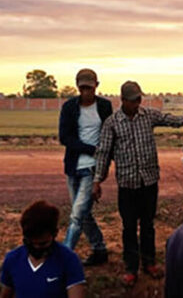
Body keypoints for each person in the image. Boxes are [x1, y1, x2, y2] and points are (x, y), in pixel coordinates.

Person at [93, 81, 183, 287]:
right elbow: (103, 153)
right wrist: (97, 180)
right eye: (133, 100)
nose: (138, 103)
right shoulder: (112, 123)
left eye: (139, 98)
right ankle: (131, 268)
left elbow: (174, 120)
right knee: (129, 227)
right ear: (123, 101)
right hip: (127, 184)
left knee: (148, 225)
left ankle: (149, 263)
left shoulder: (148, 116)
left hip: (149, 181)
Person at [57, 69, 112, 265]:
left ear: (97, 85)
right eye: (82, 88)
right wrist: (91, 149)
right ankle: (99, 249)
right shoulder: (69, 107)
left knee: (76, 215)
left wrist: (102, 164)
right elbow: (64, 137)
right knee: (83, 213)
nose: (86, 91)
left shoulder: (105, 106)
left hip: (92, 169)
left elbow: (109, 135)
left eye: (89, 87)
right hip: (73, 166)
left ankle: (63, 257)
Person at [0, 200, 85, 297]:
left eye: (42, 244)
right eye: (30, 243)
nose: (36, 248)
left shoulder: (68, 260)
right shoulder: (12, 259)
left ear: (55, 234)